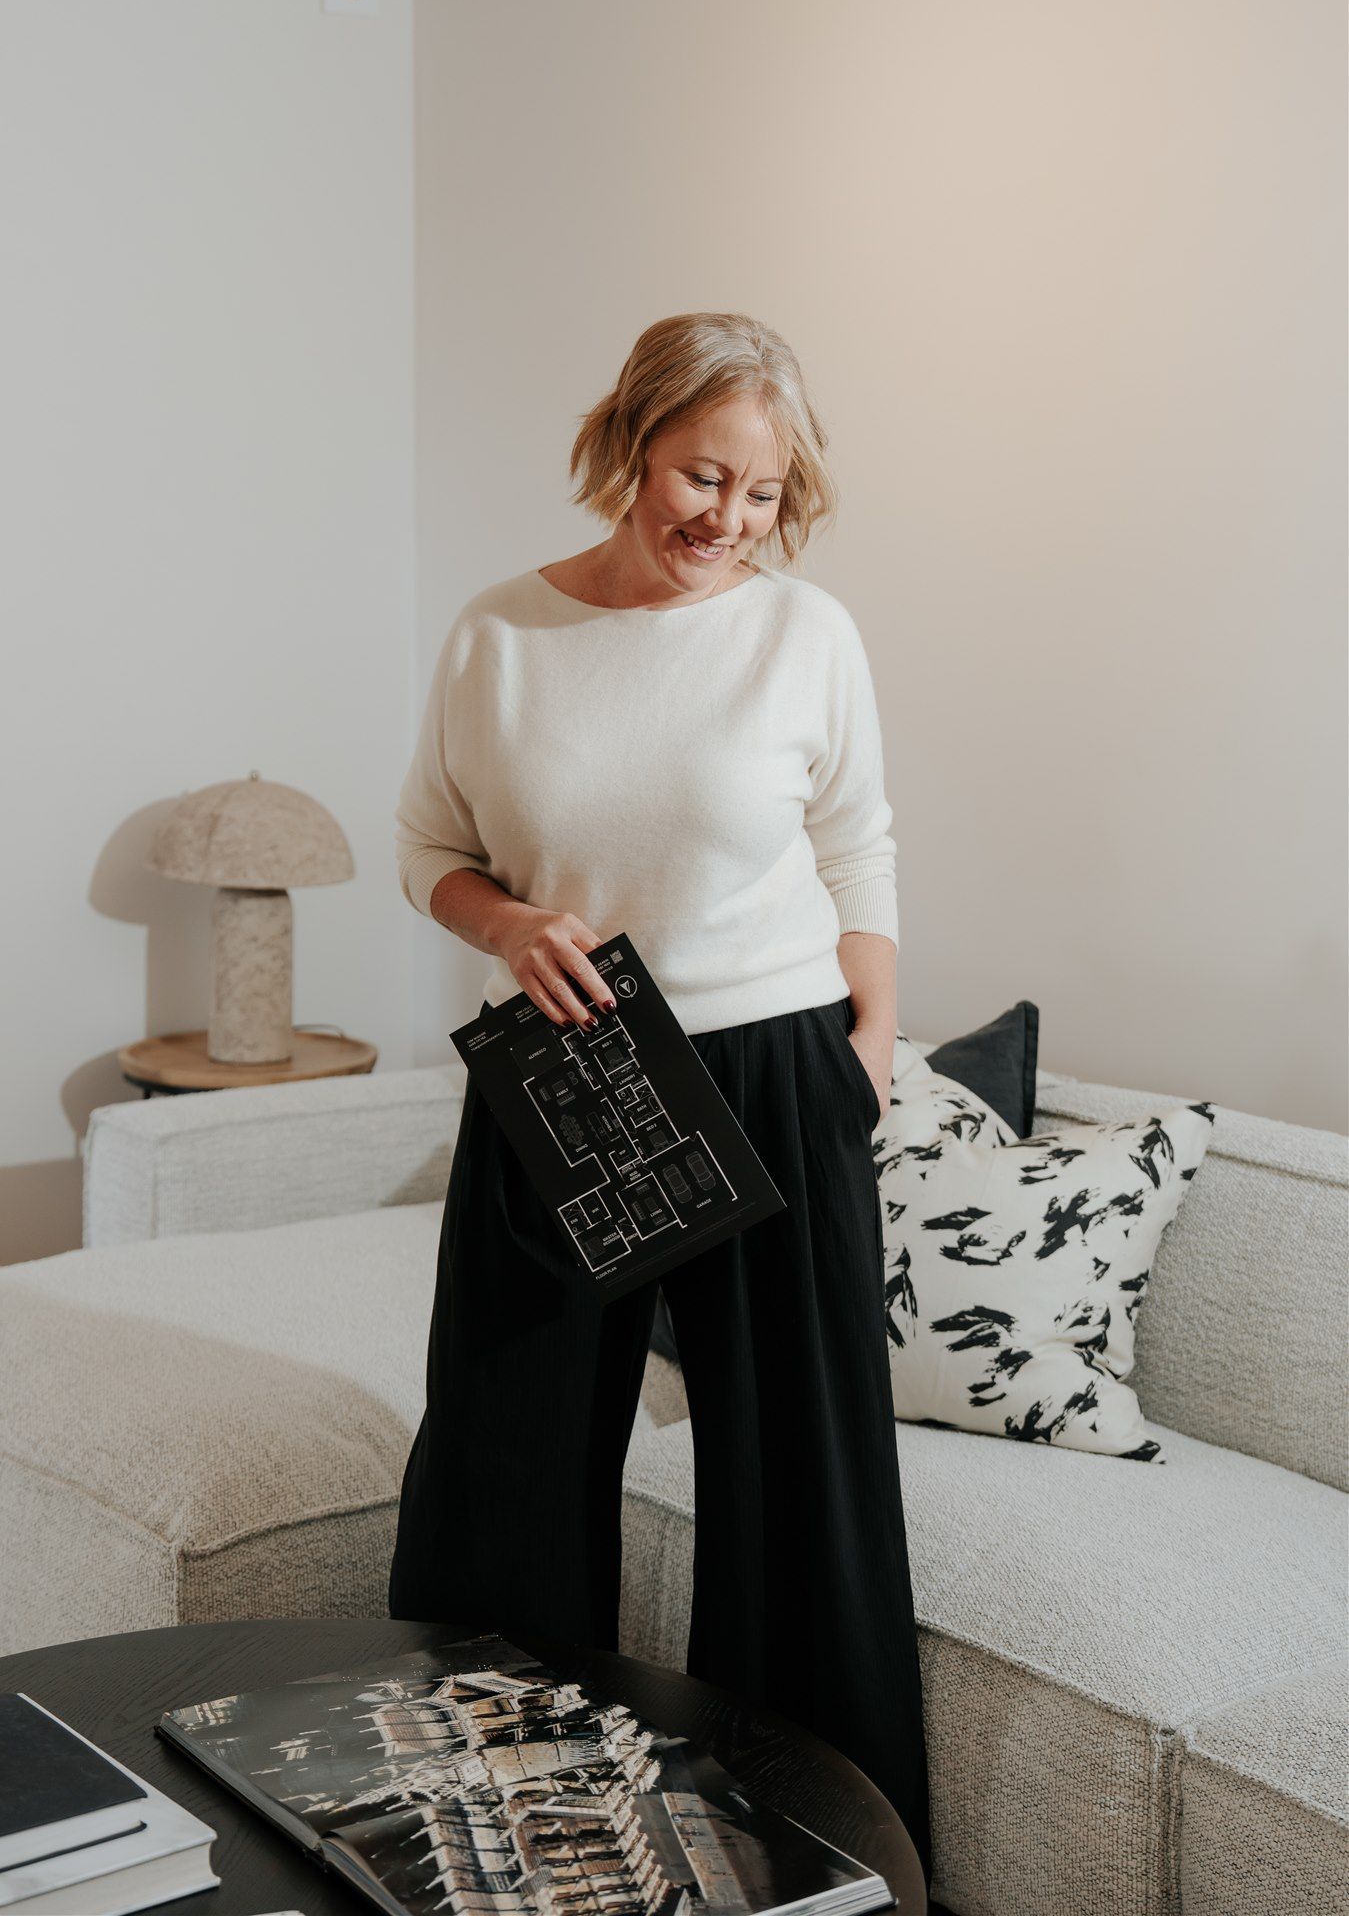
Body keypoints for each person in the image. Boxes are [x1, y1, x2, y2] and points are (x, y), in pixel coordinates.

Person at [387, 310, 933, 1888]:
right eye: (703, 476)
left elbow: (861, 843)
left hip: (773, 1059)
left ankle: (817, 1852)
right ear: (630, 443)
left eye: (761, 495)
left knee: (799, 1482)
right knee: (507, 1460)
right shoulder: (499, 635)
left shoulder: (805, 633)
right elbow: (432, 844)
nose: (726, 520)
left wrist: (873, 1037)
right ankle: (496, 1832)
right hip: (566, 1064)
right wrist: (506, 924)